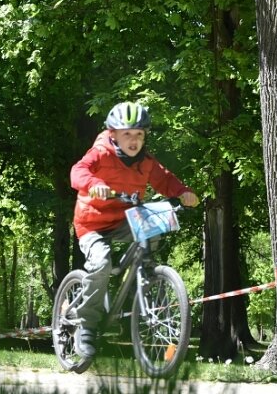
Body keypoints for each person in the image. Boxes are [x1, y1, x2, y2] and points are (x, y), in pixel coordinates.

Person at [69, 101, 199, 358]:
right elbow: (78, 171)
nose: (134, 140)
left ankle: (145, 272)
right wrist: (94, 183)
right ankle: (86, 326)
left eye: (139, 134)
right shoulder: (100, 153)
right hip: (92, 223)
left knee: (153, 229)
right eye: (127, 133)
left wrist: (183, 192)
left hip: (124, 220)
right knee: (101, 263)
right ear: (113, 133)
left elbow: (164, 178)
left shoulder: (145, 161)